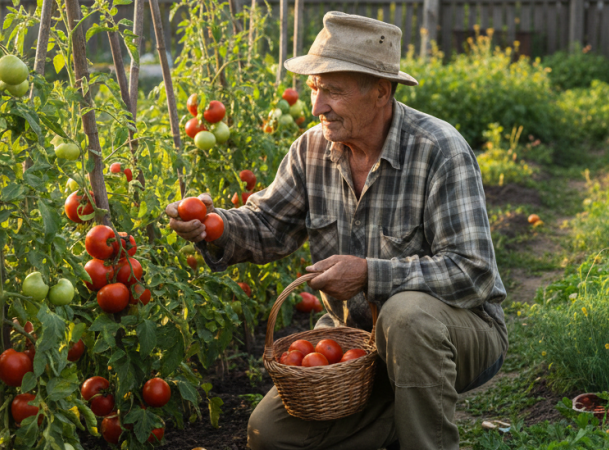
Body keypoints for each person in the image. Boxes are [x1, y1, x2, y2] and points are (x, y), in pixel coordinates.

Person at [166, 11, 507, 450]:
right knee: (268, 435)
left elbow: (473, 271)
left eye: (333, 91)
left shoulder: (439, 150)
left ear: (381, 91)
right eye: (314, 89)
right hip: (359, 345)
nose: (316, 107)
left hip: (459, 333)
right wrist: (212, 226)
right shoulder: (311, 149)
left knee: (406, 316)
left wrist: (369, 273)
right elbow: (268, 224)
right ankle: (396, 417)